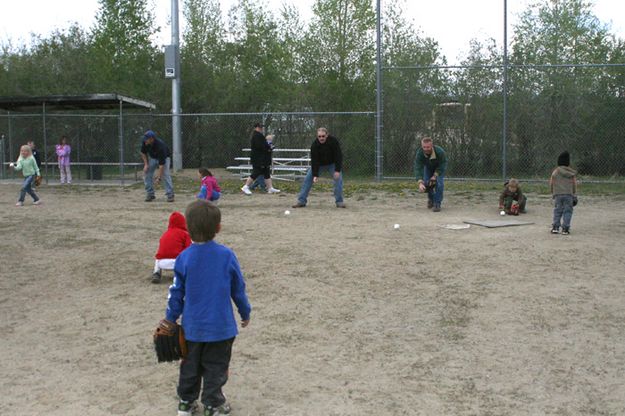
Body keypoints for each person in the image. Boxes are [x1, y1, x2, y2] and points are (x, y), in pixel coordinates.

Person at [163, 200, 251, 416]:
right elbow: (238, 288)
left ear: (188, 229)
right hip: (220, 329)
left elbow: (176, 292)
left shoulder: (184, 258)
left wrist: (171, 317)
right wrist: (245, 311)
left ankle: (186, 403)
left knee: (190, 366)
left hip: (192, 328)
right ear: (218, 228)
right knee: (215, 368)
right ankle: (212, 405)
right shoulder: (226, 255)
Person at [292, 127, 345, 208]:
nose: (321, 138)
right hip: (319, 164)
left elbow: (338, 156)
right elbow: (314, 161)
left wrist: (337, 170)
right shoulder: (314, 145)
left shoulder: (333, 141)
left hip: (332, 163)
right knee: (307, 180)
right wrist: (315, 175)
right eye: (319, 136)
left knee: (338, 180)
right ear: (317, 136)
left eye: (323, 136)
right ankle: (301, 201)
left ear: (327, 135)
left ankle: (339, 202)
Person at [152, 211, 192, 284]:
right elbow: (189, 249)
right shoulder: (185, 234)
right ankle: (183, 275)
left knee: (158, 256)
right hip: (176, 263)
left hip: (162, 263)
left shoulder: (165, 234)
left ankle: (156, 272)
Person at [240, 124, 280, 195]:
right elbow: (261, 147)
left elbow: (263, 145)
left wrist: (268, 147)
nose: (261, 129)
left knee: (266, 172)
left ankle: (270, 188)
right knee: (256, 172)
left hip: (262, 159)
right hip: (259, 159)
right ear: (257, 128)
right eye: (260, 128)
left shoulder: (258, 136)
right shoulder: (257, 136)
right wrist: (269, 148)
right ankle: (245, 186)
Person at [414, 137, 447, 212]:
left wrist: (435, 175)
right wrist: (420, 182)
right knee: (427, 183)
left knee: (439, 184)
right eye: (424, 147)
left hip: (439, 169)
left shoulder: (440, 152)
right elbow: (418, 167)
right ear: (422, 146)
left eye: (428, 147)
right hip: (428, 168)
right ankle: (431, 200)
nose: (426, 149)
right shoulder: (420, 153)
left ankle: (437, 203)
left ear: (432, 146)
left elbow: (443, 164)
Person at [141, 130, 174, 202]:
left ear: (152, 139)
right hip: (153, 158)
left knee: (165, 174)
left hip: (164, 158)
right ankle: (150, 194)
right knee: (147, 173)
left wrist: (159, 178)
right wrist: (146, 164)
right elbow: (143, 153)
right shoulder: (145, 142)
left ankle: (170, 194)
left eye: (146, 139)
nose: (145, 141)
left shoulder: (160, 146)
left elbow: (161, 165)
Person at [550, 151, 577, 235]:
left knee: (558, 210)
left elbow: (551, 182)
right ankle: (565, 228)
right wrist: (574, 193)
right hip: (568, 194)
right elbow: (574, 183)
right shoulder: (571, 172)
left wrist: (552, 192)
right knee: (568, 211)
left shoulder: (555, 171)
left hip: (558, 194)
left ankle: (555, 227)